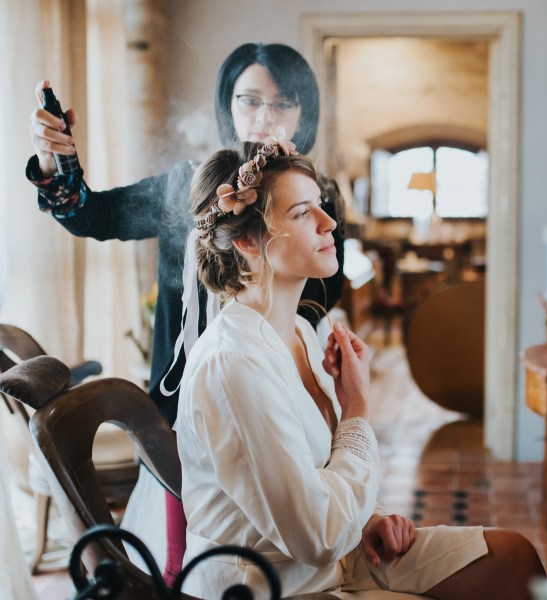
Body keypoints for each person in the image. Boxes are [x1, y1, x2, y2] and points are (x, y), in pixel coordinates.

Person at [25, 43, 344, 583]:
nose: (265, 118)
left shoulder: (318, 198)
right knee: (191, 557)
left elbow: (321, 300)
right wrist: (57, 161)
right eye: (250, 101)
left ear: (303, 112)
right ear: (228, 106)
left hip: (279, 408)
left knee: (286, 548)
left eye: (282, 104)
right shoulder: (188, 187)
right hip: (179, 418)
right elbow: (91, 214)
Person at [177, 138, 544, 599]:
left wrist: (371, 518)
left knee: (514, 559)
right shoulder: (233, 365)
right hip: (274, 584)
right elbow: (319, 536)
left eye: (321, 207)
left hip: (341, 559)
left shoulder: (300, 333)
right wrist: (358, 407)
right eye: (303, 213)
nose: (329, 223)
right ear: (249, 241)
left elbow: (322, 476)